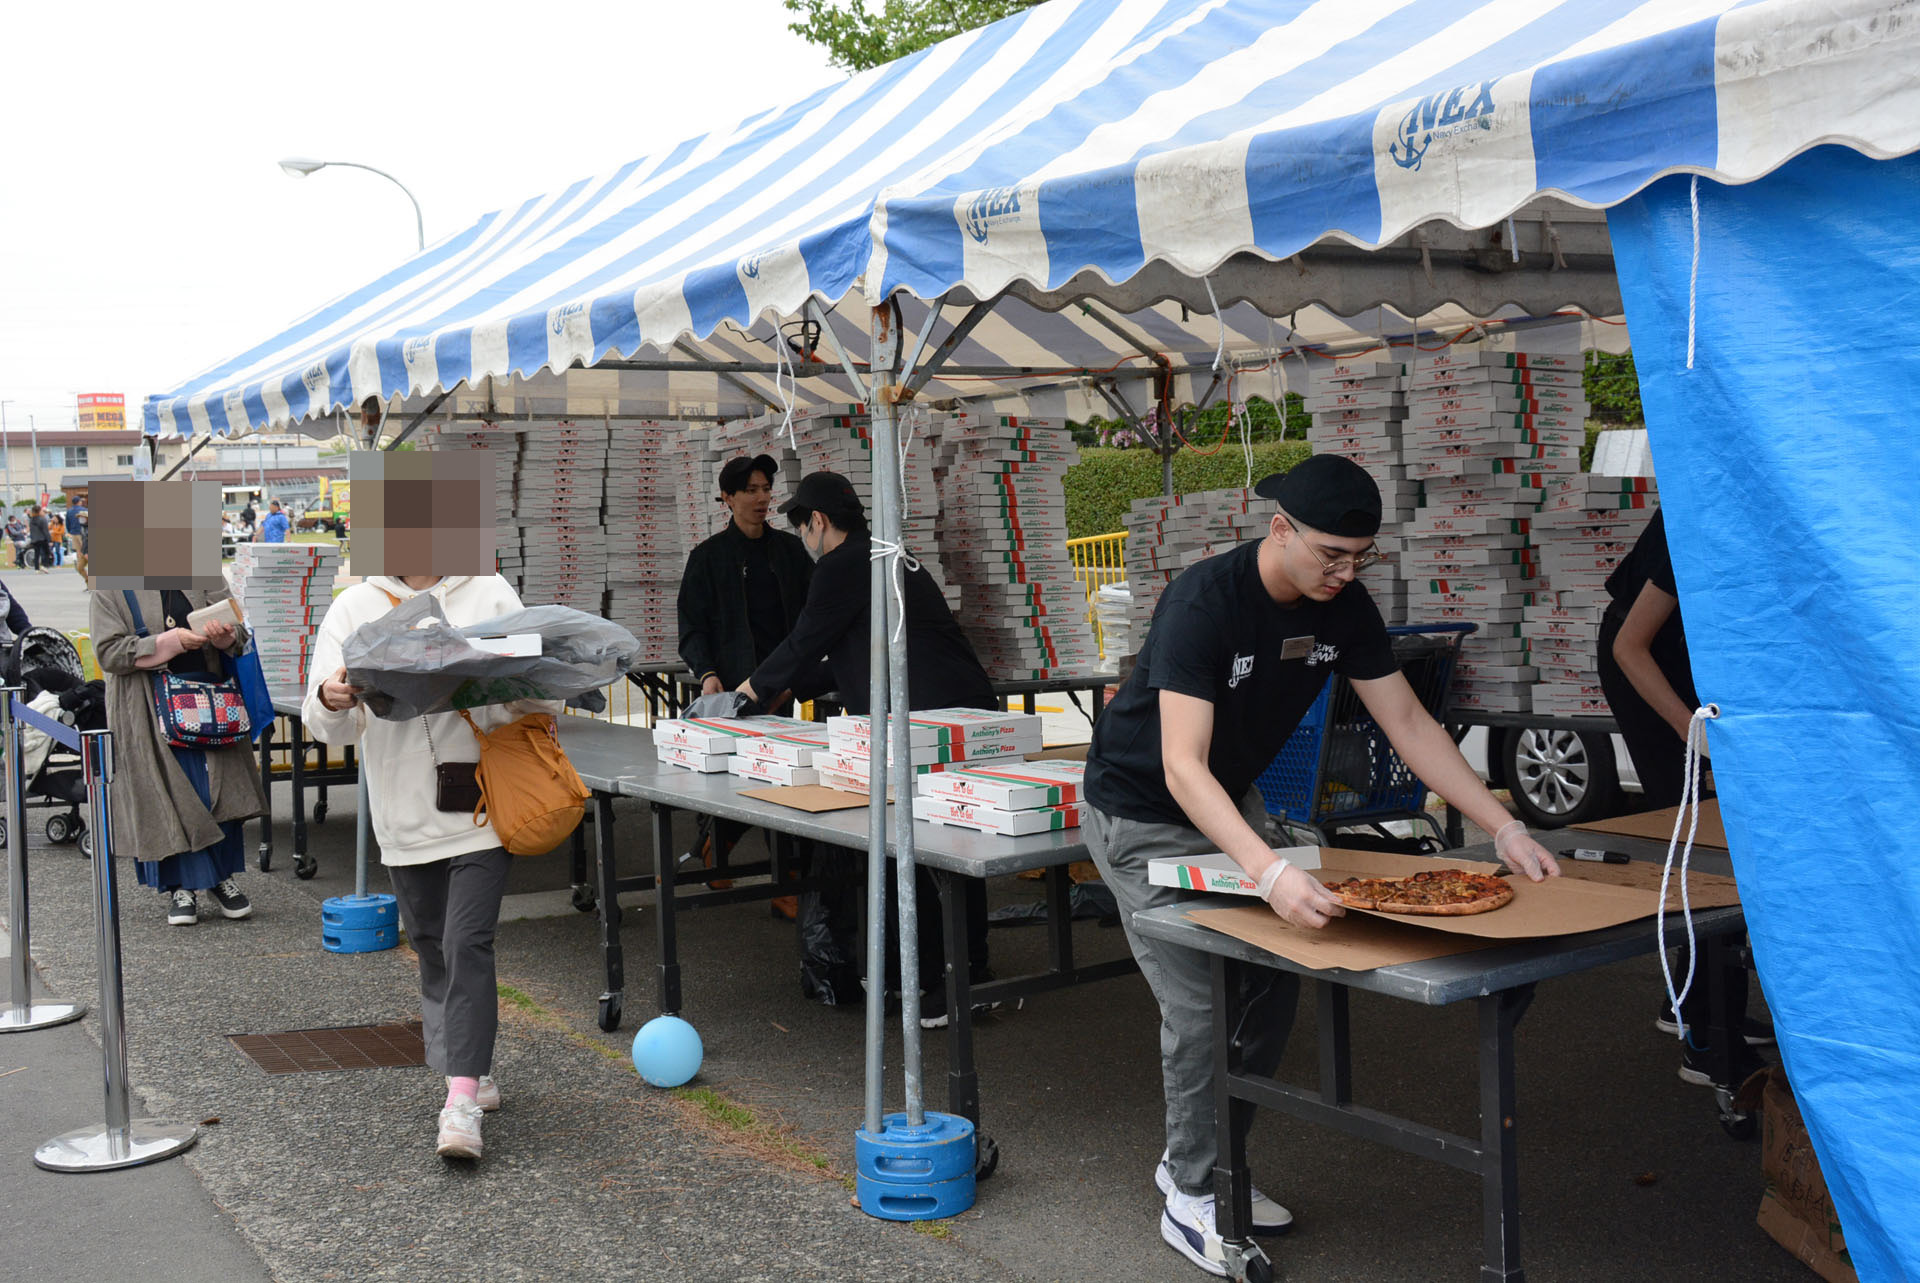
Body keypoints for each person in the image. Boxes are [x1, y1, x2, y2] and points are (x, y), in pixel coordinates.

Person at [1080, 455, 1562, 1277]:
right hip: (1143, 813)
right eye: (1332, 554)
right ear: (1281, 529)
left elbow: (1408, 719)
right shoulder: (1205, 600)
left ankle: (1217, 1164)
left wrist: (1502, 824)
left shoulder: (1346, 606)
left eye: (1361, 557)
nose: (1346, 572)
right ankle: (1191, 1191)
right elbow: (1182, 767)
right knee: (1201, 999)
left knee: (1272, 980)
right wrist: (1269, 871)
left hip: (1233, 802)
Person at [304, 569, 560, 1162]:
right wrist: (330, 696)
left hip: (484, 807)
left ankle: (461, 1102)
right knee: (432, 947)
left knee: (467, 941)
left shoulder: (490, 591)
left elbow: (541, 694)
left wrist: (514, 679)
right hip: (403, 816)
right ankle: (472, 1067)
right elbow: (323, 722)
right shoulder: (355, 606)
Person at [738, 471, 1000, 1027]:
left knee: (923, 848)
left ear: (819, 522)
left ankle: (934, 988)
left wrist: (753, 689)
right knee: (954, 845)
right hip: (958, 709)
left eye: (801, 525)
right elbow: (850, 649)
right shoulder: (882, 554)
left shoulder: (845, 564)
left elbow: (809, 638)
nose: (802, 538)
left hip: (931, 718)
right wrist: (786, 687)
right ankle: (969, 974)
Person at [1597, 506, 1767, 1088]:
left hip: (1697, 666)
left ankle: (1693, 1005)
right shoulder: (1704, 514)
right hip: (1643, 663)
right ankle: (1706, 1042)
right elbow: (1629, 647)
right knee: (1707, 843)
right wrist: (1694, 739)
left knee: (1731, 838)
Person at [676, 454, 815, 919]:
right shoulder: (709, 557)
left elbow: (811, 620)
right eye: (750, 490)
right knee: (735, 781)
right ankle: (717, 844)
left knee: (783, 783)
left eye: (765, 489)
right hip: (731, 690)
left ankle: (786, 884)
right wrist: (708, 673)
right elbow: (691, 628)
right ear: (728, 498)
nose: (761, 498)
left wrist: (794, 679)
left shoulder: (791, 553)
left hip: (780, 688)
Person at [92, 586, 265, 926]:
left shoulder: (202, 571)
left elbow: (241, 635)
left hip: (211, 699)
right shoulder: (111, 585)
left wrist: (224, 638)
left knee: (217, 791)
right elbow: (108, 653)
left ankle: (220, 878)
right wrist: (168, 643)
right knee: (170, 793)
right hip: (148, 707)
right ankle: (182, 887)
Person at [67, 497, 87, 579]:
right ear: (79, 502)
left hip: (74, 533)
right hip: (82, 534)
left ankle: (89, 582)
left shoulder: (69, 511)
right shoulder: (84, 510)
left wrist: (70, 531)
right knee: (85, 551)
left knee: (79, 552)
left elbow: (67, 524)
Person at [25, 505, 50, 573]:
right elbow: (45, 530)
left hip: (34, 539)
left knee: (37, 553)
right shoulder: (42, 519)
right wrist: (49, 539)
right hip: (42, 538)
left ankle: (36, 568)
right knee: (46, 552)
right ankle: (44, 565)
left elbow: (32, 530)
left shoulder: (32, 520)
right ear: (39, 511)